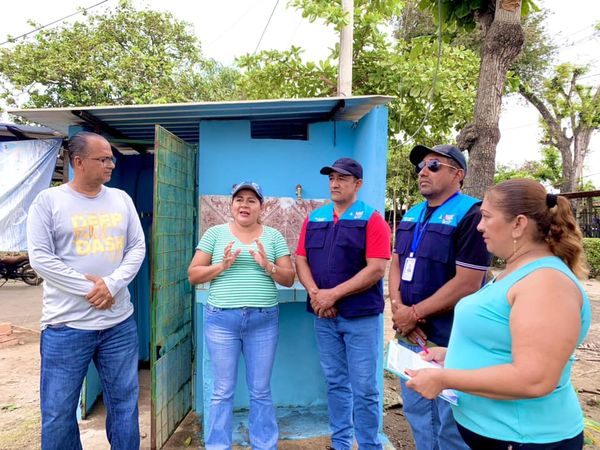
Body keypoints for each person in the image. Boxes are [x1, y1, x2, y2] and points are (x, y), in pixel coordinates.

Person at [406, 179, 591, 450]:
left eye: (487, 217)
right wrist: (452, 355)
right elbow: (503, 338)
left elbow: (535, 379)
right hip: (497, 434)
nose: (479, 226)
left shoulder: (546, 283)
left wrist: (445, 379)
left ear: (518, 224)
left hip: (525, 438)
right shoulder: (518, 270)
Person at [26, 131, 146, 450]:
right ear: (78, 162)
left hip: (118, 324)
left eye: (111, 158)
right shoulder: (48, 202)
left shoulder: (121, 199)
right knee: (58, 412)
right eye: (103, 158)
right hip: (66, 326)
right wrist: (91, 289)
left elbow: (137, 247)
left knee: (124, 405)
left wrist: (112, 284)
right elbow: (41, 258)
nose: (111, 164)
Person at [390, 144, 491, 449]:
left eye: (434, 165)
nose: (423, 171)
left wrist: (414, 314)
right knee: (418, 415)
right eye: (420, 166)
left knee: (450, 426)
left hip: (449, 341)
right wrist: (399, 310)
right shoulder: (411, 213)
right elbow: (396, 264)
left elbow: (467, 282)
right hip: (409, 336)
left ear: (458, 174)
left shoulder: (472, 215)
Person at [187, 181, 294, 450]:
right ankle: (217, 446)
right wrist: (220, 266)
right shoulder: (215, 234)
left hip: (263, 321)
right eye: (239, 199)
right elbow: (193, 274)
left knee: (260, 390)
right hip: (222, 321)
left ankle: (264, 445)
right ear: (231, 204)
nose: (244, 205)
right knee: (222, 391)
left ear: (261, 206)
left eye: (251, 200)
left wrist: (268, 265)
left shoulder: (273, 237)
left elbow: (289, 278)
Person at [295, 157, 391, 450]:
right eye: (331, 179)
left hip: (360, 318)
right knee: (336, 383)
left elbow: (376, 268)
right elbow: (301, 259)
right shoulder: (315, 218)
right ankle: (340, 443)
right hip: (323, 316)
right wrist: (316, 293)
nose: (335, 184)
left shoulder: (372, 219)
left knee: (365, 388)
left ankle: (370, 444)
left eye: (342, 179)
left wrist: (333, 295)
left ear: (357, 184)